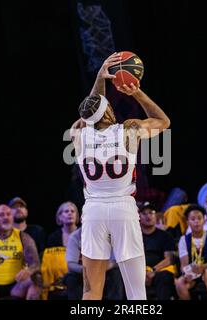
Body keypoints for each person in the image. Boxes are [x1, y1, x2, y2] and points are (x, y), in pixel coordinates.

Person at [70, 52, 170, 300]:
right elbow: (162, 121)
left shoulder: (77, 134)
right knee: (136, 291)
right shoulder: (129, 130)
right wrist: (136, 92)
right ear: (108, 112)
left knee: (91, 289)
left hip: (93, 210)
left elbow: (91, 109)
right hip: (123, 208)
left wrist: (99, 77)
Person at [64, 227, 125, 300]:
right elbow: (71, 264)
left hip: (105, 270)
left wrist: (106, 267)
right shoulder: (75, 237)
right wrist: (84, 269)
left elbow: (116, 261)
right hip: (83, 272)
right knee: (71, 278)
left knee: (116, 273)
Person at [176, 205, 207, 300]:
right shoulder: (183, 239)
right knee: (179, 282)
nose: (196, 221)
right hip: (192, 272)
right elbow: (184, 265)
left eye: (199, 218)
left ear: (204, 220)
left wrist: (201, 267)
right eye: (193, 219)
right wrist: (186, 273)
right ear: (187, 222)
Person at [41, 201, 79, 300]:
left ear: (77, 216)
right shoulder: (53, 237)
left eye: (73, 211)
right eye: (66, 211)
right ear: (60, 217)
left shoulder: (84, 234)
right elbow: (50, 262)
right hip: (58, 278)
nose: (70, 213)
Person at [139, 202, 176, 300]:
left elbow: (169, 259)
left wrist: (153, 271)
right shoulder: (134, 236)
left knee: (164, 277)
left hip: (159, 271)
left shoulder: (165, 236)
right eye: (144, 213)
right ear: (139, 217)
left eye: (151, 213)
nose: (148, 216)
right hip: (138, 270)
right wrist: (142, 272)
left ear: (156, 216)